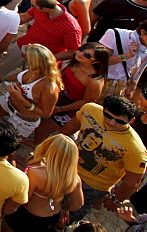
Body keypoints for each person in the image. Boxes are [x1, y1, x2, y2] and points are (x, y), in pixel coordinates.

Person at [62, 95, 147, 224]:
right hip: (68, 165)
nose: (112, 122)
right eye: (108, 116)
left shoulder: (136, 149)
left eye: (120, 121)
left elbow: (133, 181)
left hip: (92, 185)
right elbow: (73, 125)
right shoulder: (90, 109)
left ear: (132, 121)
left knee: (69, 213)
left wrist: (116, 200)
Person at [1, 135, 84, 232]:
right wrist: (64, 208)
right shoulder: (74, 178)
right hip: (50, 217)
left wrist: (6, 209)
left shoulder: (36, 174)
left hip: (26, 215)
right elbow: (78, 204)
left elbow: (21, 198)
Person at [0, 43, 61, 140]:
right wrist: (0, 79)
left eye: (27, 56)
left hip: (23, 119)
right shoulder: (33, 70)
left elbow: (46, 114)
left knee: (8, 143)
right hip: (8, 103)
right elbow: (20, 76)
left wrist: (20, 98)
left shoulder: (49, 87)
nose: (24, 57)